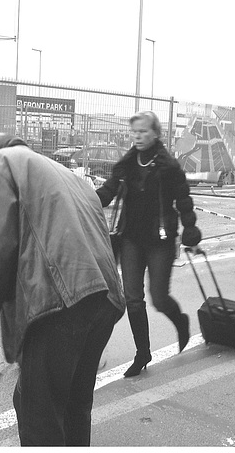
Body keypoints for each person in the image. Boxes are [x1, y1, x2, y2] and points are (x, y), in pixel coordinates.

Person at [0, 133, 126, 446]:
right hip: (105, 298)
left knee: (41, 418)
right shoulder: (66, 174)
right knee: (75, 407)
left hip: (61, 302)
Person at [96, 111, 201, 378]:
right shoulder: (128, 164)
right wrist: (87, 200)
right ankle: (143, 353)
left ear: (155, 133)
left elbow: (183, 200)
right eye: (134, 131)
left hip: (160, 240)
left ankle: (181, 321)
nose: (137, 136)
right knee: (133, 298)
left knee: (159, 297)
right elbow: (109, 190)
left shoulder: (168, 166)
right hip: (130, 238)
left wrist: (189, 229)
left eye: (143, 131)